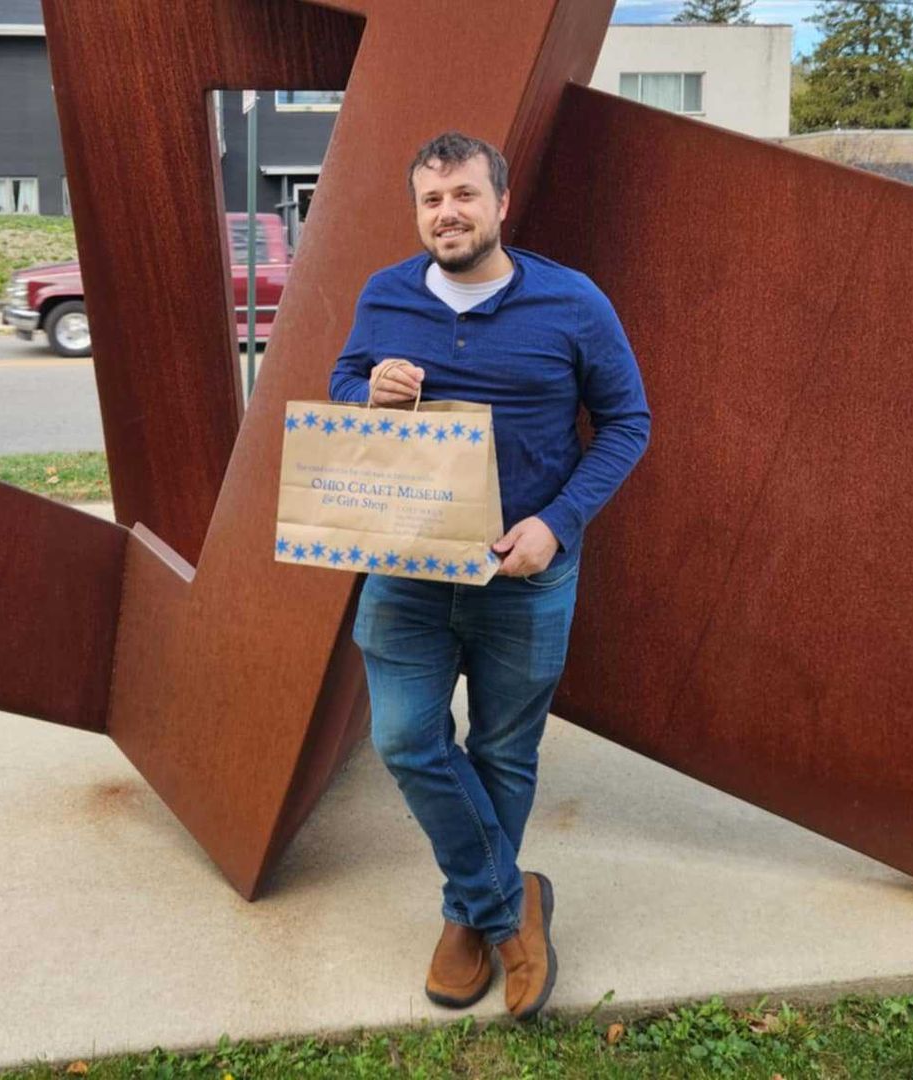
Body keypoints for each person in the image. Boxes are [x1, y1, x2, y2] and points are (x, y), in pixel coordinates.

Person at [327, 131, 650, 1021]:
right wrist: (369, 393)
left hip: (527, 575)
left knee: (505, 751)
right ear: (417, 212)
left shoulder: (573, 302)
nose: (448, 214)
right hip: (410, 569)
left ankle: (464, 918)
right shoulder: (385, 294)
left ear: (502, 205)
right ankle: (510, 907)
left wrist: (557, 523)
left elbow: (628, 422)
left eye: (465, 195)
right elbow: (343, 380)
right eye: (432, 200)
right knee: (403, 739)